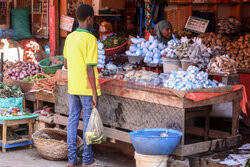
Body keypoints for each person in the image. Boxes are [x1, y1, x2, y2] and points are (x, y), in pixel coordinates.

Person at [63, 4, 101, 167]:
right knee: (87, 121)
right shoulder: (91, 39)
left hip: (73, 86)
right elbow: (90, 69)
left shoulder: (70, 37)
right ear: (90, 18)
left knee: (72, 120)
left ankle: (72, 159)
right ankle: (86, 159)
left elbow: (66, 63)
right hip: (87, 87)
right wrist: (94, 92)